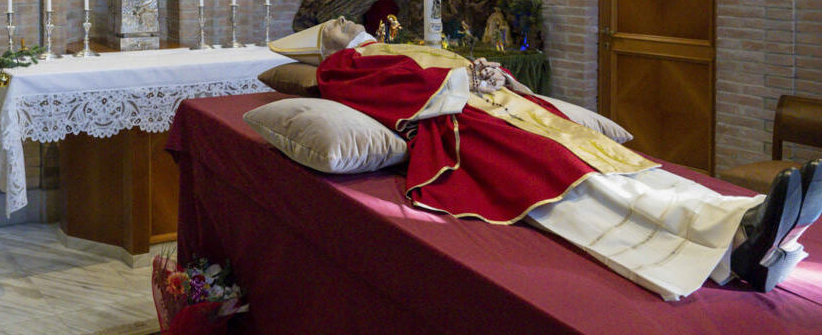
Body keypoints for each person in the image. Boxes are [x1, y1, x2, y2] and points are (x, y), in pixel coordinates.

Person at [307, 16, 822, 300]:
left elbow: (461, 70)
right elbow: (396, 96)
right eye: (338, 24)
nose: (348, 22)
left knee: (622, 161)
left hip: (508, 108)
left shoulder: (395, 45)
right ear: (331, 44)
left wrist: (488, 75)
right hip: (470, 127)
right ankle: (730, 248)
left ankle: (744, 219)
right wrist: (467, 79)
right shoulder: (343, 66)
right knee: (572, 176)